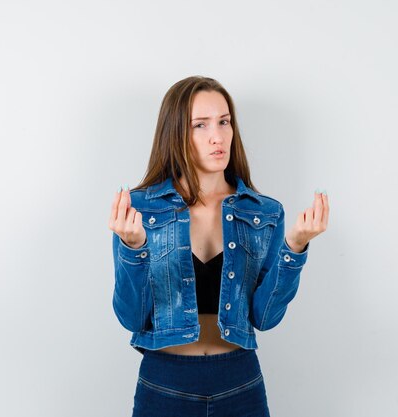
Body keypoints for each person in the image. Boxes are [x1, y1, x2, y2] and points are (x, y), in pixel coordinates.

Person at [108, 76, 329, 417]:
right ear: (175, 132)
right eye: (201, 125)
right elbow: (131, 317)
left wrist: (295, 246)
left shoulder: (263, 213)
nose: (217, 136)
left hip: (240, 383)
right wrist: (133, 248)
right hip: (165, 383)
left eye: (224, 122)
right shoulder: (140, 210)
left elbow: (265, 317)